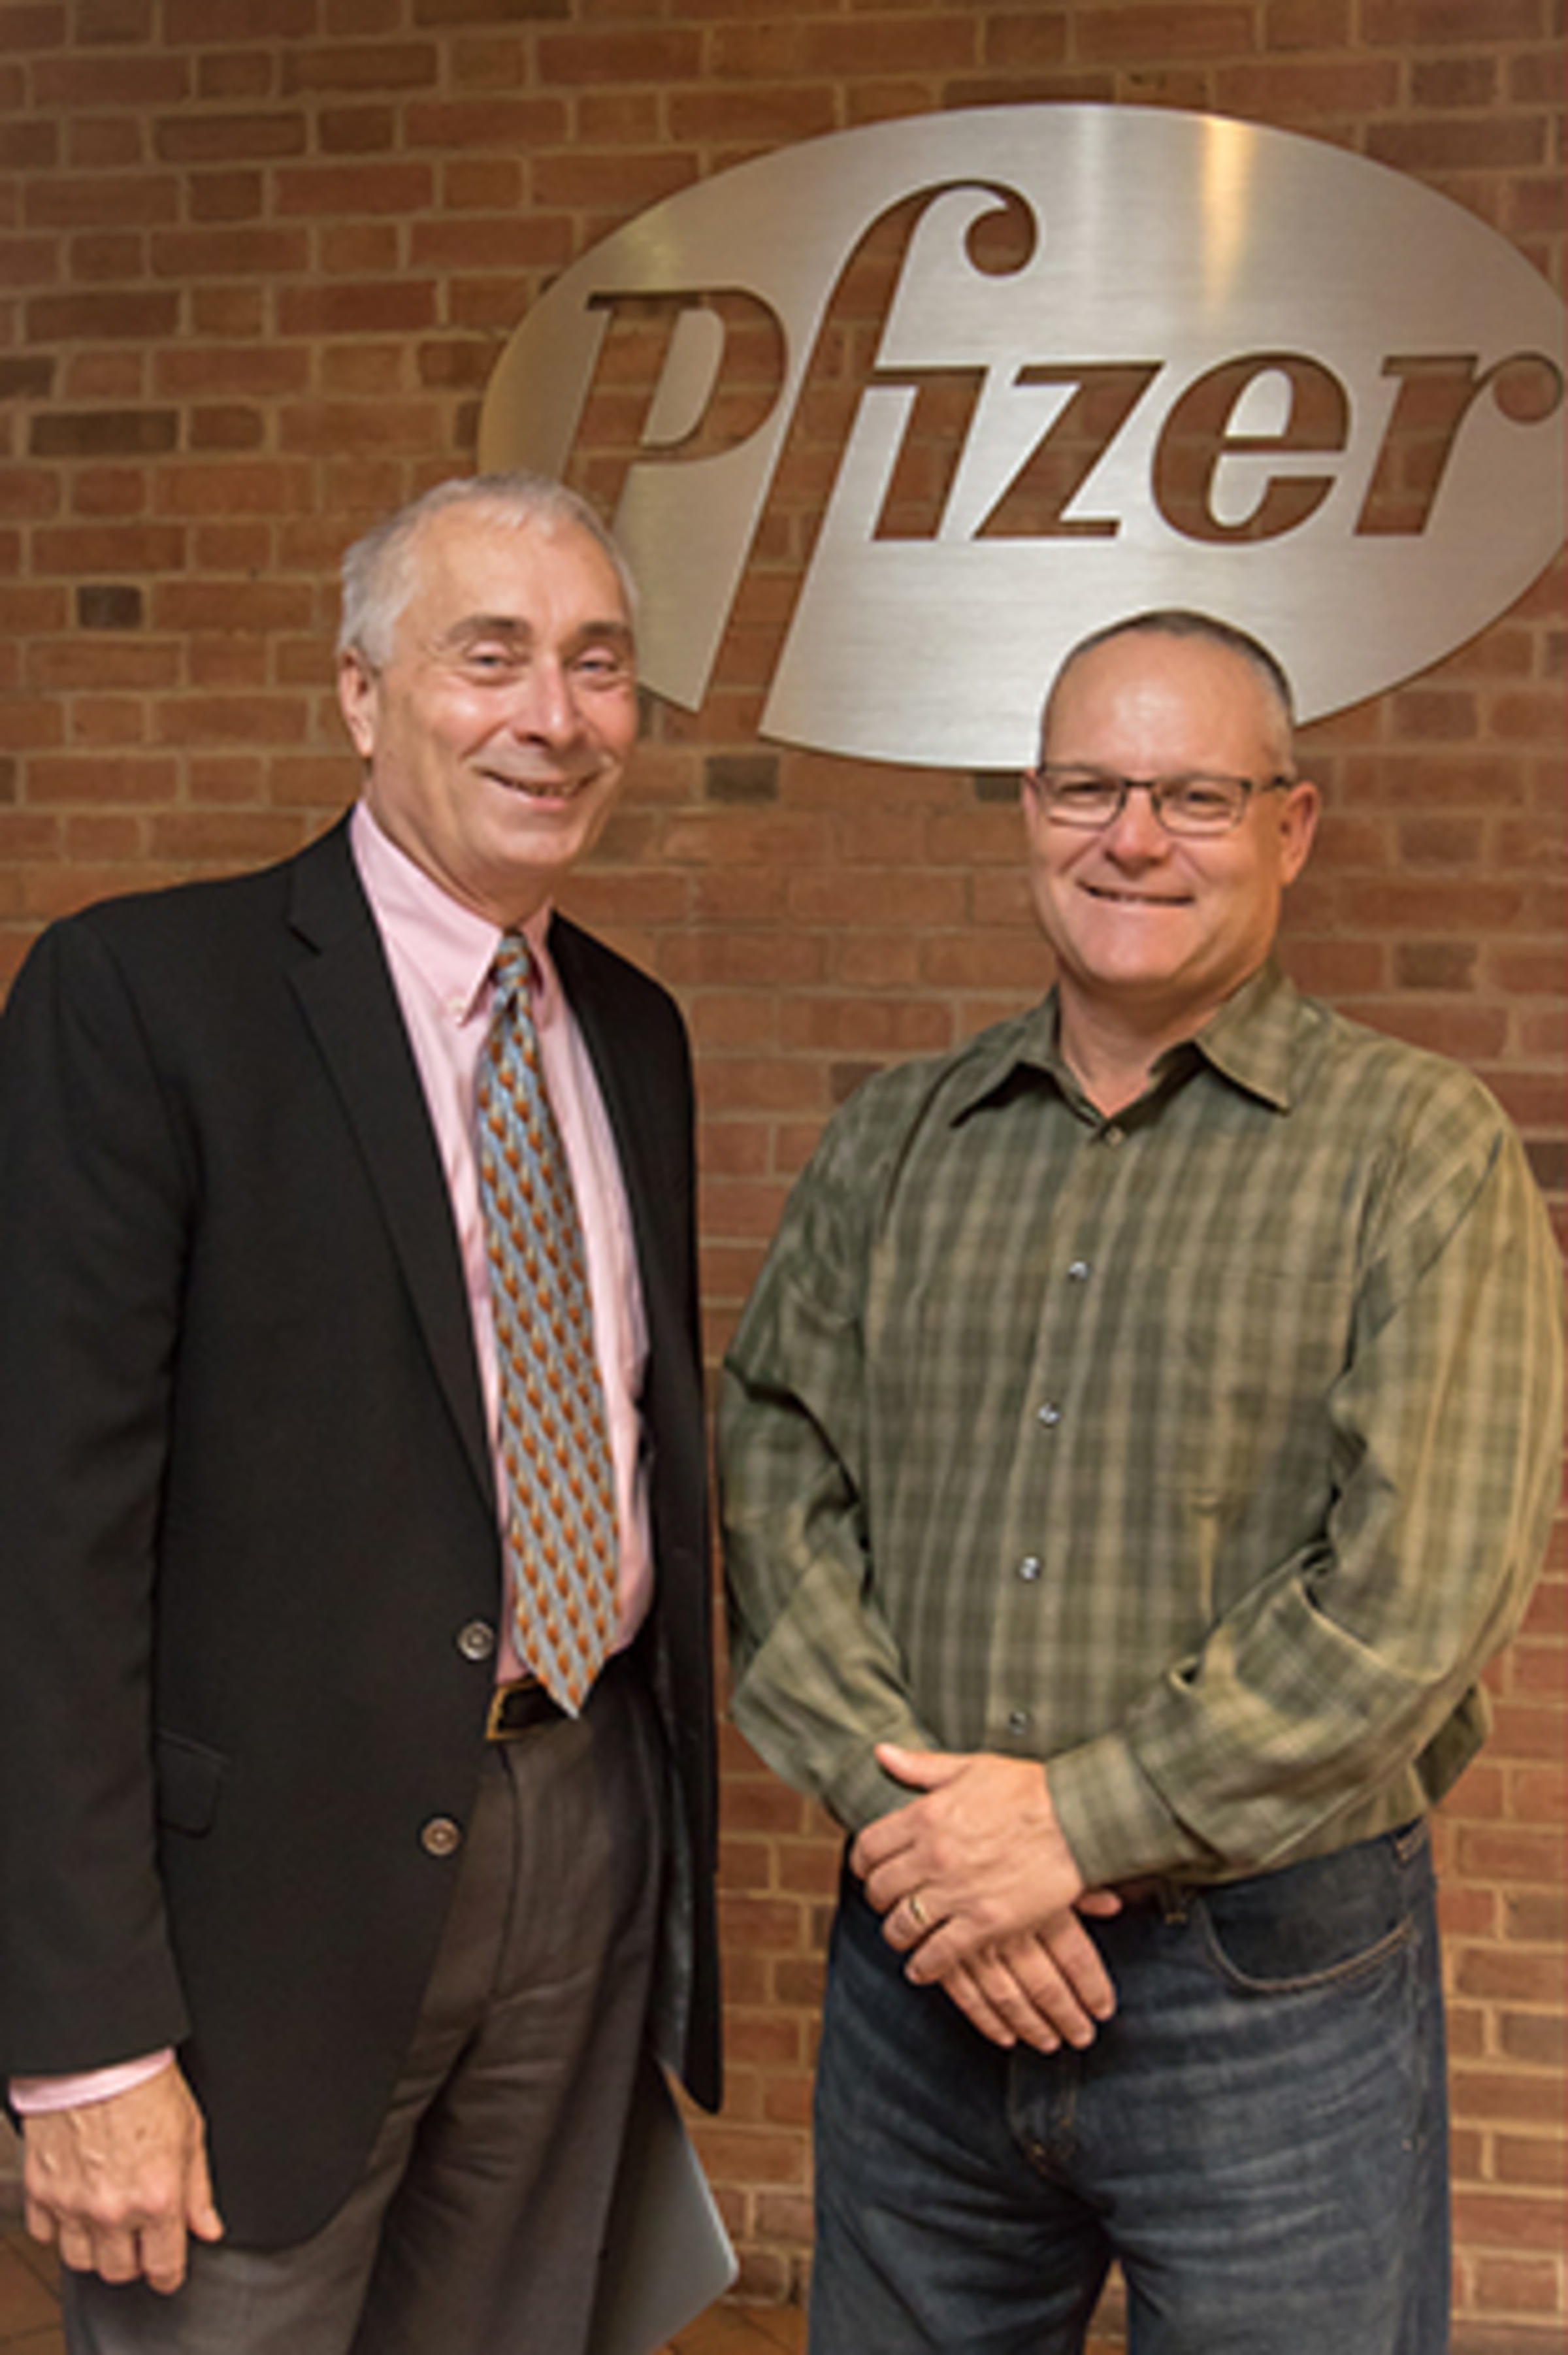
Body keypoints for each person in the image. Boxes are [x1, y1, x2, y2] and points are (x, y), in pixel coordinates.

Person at [719, 610, 1561, 2355]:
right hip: (924, 1975)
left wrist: (1070, 1824)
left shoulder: (1418, 1153)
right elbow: (773, 1479)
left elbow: (1416, 1597)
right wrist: (918, 1834)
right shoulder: (892, 1141)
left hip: (1270, 1997)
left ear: (1291, 824)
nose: (1132, 836)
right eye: (1090, 785)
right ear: (1031, 807)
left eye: (1192, 793)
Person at [0, 473, 720, 2355]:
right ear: (360, 694)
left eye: (597, 666)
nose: (551, 715)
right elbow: (37, 1543)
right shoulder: (146, 1000)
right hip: (261, 1915)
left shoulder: (630, 1029)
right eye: (489, 656)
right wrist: (79, 2033)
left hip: (585, 1824)